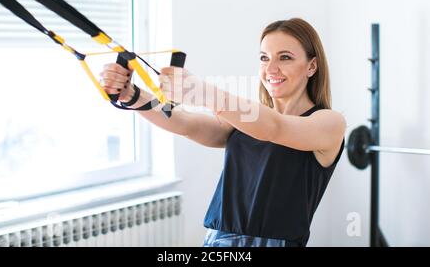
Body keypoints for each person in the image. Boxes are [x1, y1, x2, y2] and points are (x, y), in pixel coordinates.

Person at [100, 18, 346, 247]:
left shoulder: (329, 123)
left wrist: (202, 91)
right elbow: (185, 123)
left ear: (311, 66)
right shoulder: (248, 117)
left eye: (284, 57)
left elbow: (275, 128)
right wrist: (132, 95)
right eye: (263, 58)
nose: (271, 68)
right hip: (218, 241)